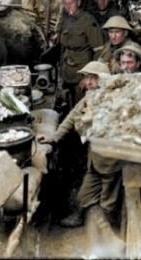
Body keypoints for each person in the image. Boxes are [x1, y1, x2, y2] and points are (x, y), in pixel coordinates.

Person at [38, 60, 122, 228]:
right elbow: (73, 115)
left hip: (110, 161)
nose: (88, 82)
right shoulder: (90, 95)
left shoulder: (112, 99)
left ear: (104, 79)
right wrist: (55, 136)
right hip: (94, 159)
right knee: (84, 195)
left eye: (93, 78)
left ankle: (110, 231)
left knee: (108, 202)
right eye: (87, 78)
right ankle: (81, 216)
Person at [58, 0, 103, 107]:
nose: (68, 6)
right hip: (68, 70)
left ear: (78, 2)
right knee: (70, 102)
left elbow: (99, 51)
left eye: (71, 2)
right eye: (65, 3)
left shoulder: (88, 21)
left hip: (82, 70)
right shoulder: (66, 19)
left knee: (82, 105)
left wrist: (89, 76)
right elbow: (64, 48)